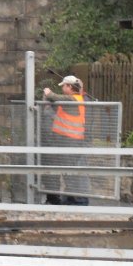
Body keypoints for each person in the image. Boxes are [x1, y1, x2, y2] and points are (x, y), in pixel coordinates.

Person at [41, 75, 89, 206]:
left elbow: (54, 97)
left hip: (71, 141)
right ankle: (70, 199)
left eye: (64, 86)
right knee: (67, 171)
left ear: (69, 87)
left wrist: (47, 93)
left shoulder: (72, 99)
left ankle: (77, 201)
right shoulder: (71, 100)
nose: (62, 88)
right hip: (66, 141)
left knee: (69, 172)